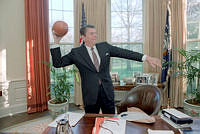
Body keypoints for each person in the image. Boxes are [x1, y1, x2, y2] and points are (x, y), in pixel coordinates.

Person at [50, 24, 161, 114]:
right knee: (91, 122)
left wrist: (146, 58)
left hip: (107, 92)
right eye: (92, 33)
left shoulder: (104, 47)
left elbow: (125, 53)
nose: (95, 36)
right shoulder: (76, 53)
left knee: (111, 120)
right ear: (83, 37)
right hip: (90, 95)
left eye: (95, 33)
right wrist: (56, 41)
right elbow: (58, 63)